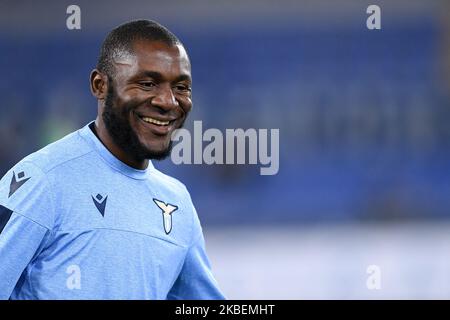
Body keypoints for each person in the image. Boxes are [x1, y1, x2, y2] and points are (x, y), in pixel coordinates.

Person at [0, 19, 224, 300]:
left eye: (181, 88)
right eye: (147, 83)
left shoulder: (177, 202)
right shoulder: (42, 180)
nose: (168, 101)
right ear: (100, 85)